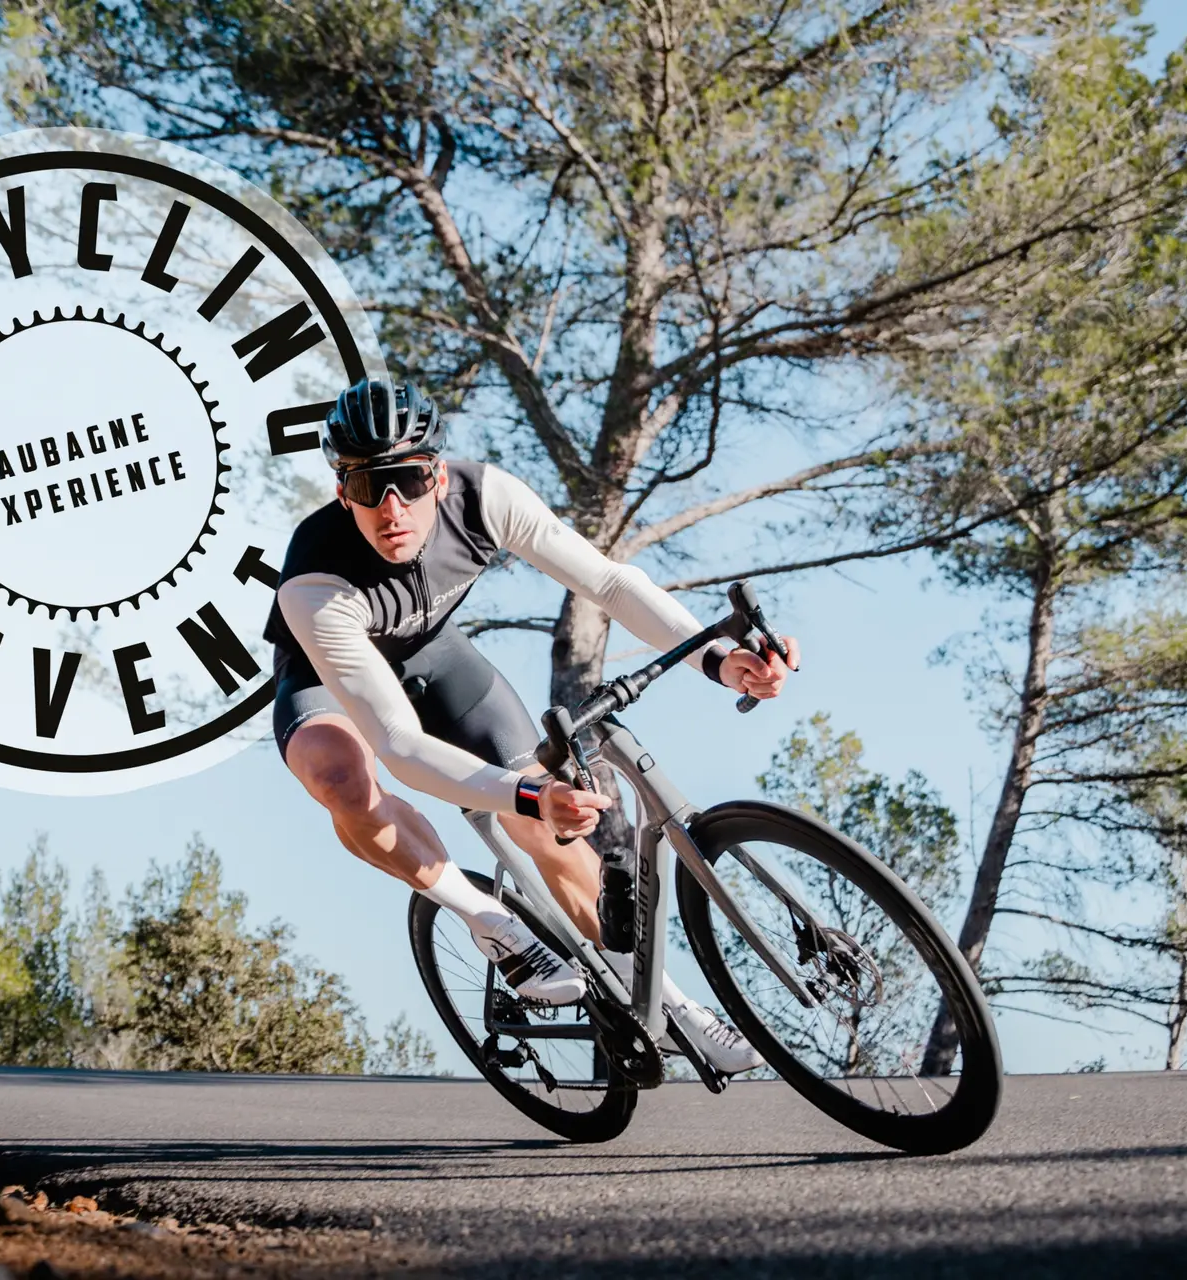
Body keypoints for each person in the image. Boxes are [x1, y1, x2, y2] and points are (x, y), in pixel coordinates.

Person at [265, 378, 800, 1074]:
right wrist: (528, 794)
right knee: (339, 774)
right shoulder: (313, 582)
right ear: (343, 492)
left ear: (436, 471)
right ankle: (488, 921)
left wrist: (722, 660)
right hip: (329, 681)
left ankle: (669, 1004)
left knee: (551, 835)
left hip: (436, 658)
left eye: (404, 479)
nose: (390, 507)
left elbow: (607, 584)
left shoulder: (484, 497)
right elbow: (397, 745)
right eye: (367, 487)